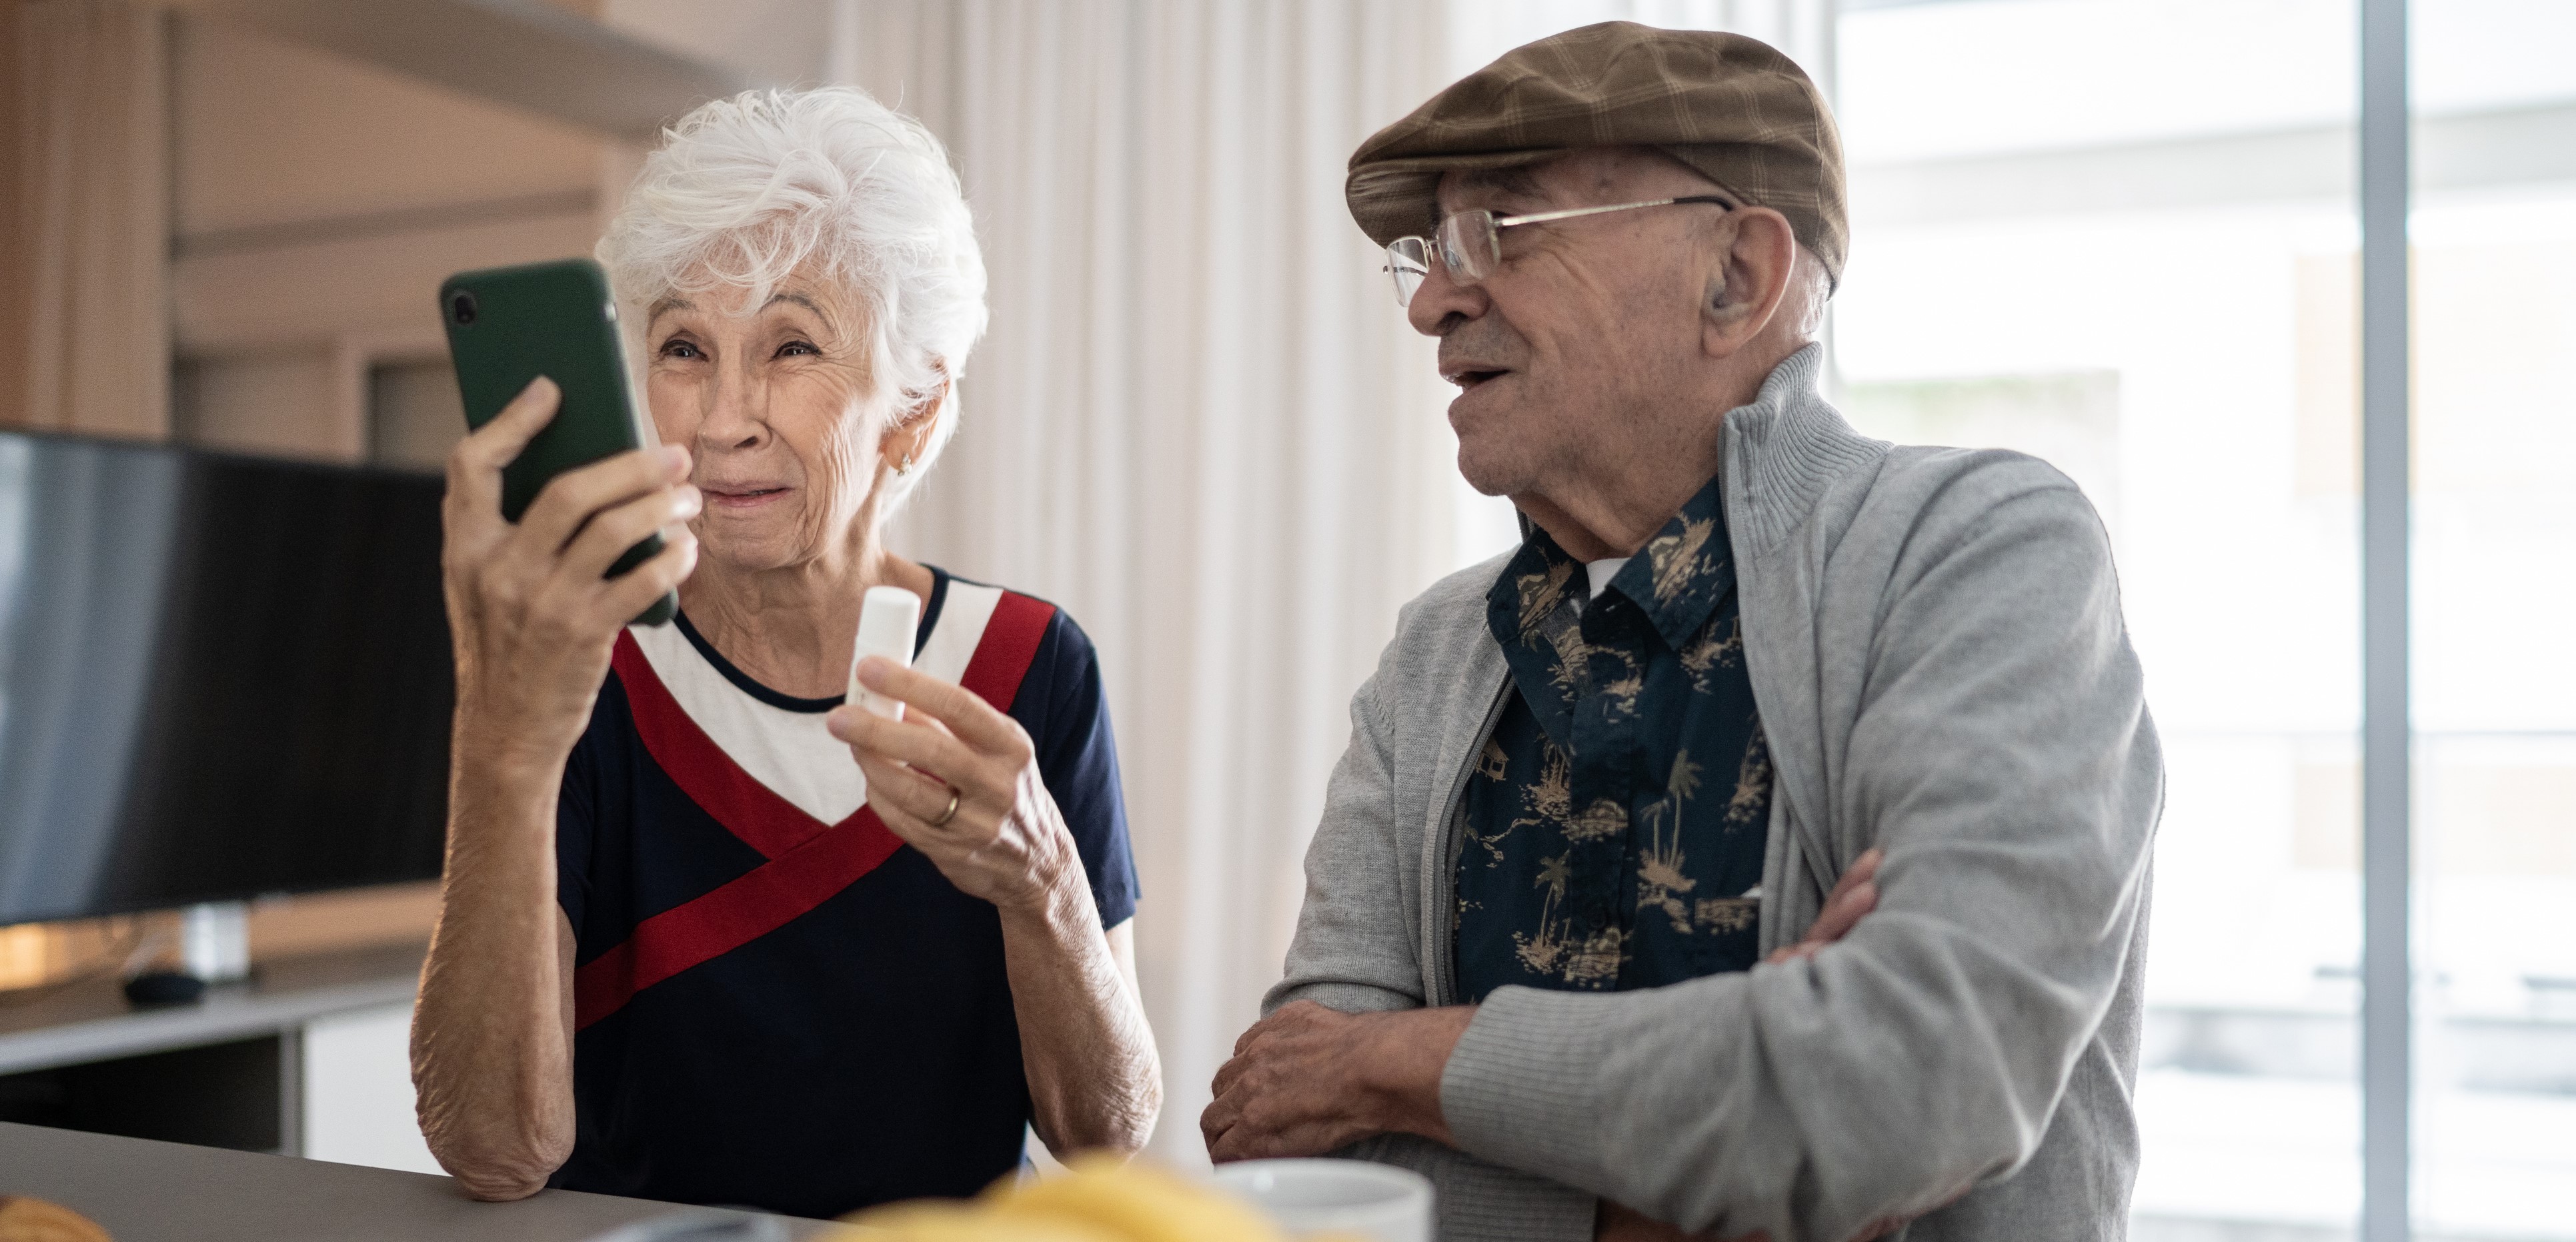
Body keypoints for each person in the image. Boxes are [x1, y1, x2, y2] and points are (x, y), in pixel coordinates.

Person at [1200, 23, 2160, 1242]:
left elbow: (1905, 1087)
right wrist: (1742, 1130)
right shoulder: (1433, 655)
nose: (1434, 302)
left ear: (1737, 279)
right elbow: (1287, 1134)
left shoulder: (1981, 551)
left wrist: (1397, 1063)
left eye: (1500, 229)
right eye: (1430, 252)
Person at [411, 87, 1160, 1219]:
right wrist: (505, 742)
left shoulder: (1028, 664)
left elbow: (1103, 1135)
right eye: (682, 349)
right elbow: (495, 1149)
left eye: (791, 346)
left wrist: (1044, 881)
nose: (721, 419)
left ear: (912, 407)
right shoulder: (579, 670)